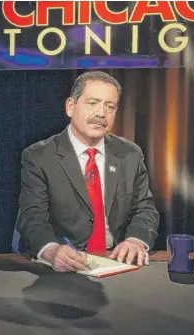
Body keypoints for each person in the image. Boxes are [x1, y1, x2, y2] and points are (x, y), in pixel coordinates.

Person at [17, 71, 159, 272]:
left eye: (110, 107)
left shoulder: (130, 154)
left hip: (116, 260)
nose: (101, 114)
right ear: (70, 107)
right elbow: (32, 218)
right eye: (92, 103)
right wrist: (52, 250)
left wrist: (136, 241)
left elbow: (145, 209)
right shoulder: (39, 156)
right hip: (64, 266)